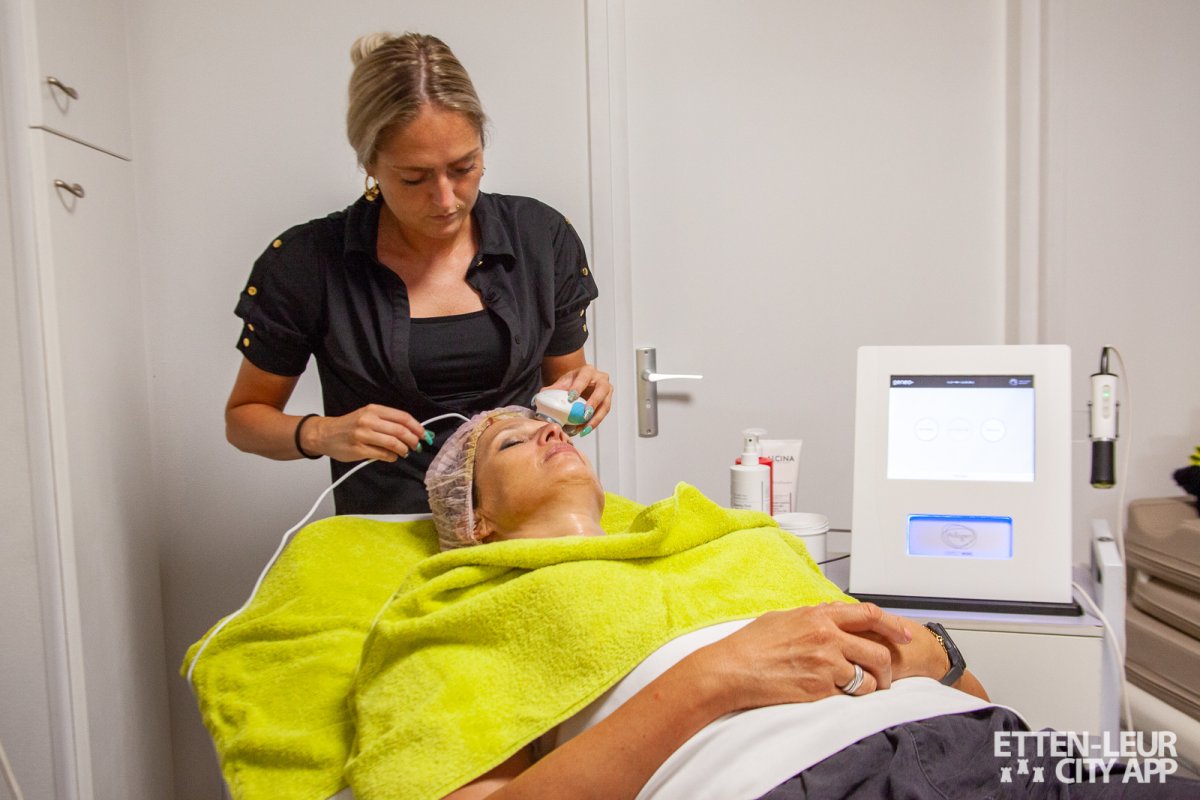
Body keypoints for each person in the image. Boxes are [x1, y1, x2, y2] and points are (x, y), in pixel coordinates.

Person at [400, 408, 1200, 800]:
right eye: (512, 440)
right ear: (476, 520)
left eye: (546, 423)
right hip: (803, 782)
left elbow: (967, 691)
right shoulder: (462, 609)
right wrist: (714, 680)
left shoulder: (731, 541)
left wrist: (941, 653)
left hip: (1004, 749)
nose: (547, 430)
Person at [224, 33, 611, 514]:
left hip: (524, 520)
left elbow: (565, 390)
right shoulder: (308, 261)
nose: (446, 200)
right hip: (385, 528)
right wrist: (322, 432)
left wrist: (582, 396)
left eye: (464, 168)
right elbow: (244, 421)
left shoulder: (540, 237)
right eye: (414, 178)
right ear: (369, 164)